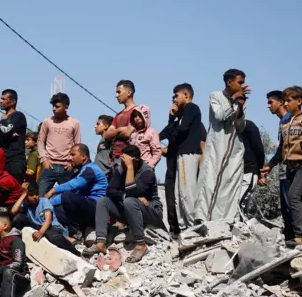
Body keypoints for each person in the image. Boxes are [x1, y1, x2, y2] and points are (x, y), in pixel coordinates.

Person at [261, 86, 302, 249]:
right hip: (289, 167)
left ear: (299, 101)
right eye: (285, 100)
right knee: (290, 201)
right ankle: (293, 237)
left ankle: (301, 237)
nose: (286, 103)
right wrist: (270, 166)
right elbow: (281, 149)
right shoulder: (285, 124)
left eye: (288, 100)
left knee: (293, 196)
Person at [83, 145, 164, 262]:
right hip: (131, 210)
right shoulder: (122, 169)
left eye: (126, 162)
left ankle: (141, 244)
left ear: (134, 161)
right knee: (104, 201)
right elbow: (110, 191)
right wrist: (126, 195)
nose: (122, 165)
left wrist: (130, 168)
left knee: (130, 201)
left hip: (151, 212)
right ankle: (101, 242)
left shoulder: (147, 172)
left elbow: (132, 192)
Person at [195, 69, 249, 222]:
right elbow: (219, 116)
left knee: (230, 184)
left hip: (234, 149)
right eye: (240, 82)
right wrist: (231, 101)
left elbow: (240, 127)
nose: (242, 86)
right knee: (210, 182)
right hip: (216, 147)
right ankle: (203, 219)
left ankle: (226, 220)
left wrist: (240, 107)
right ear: (229, 82)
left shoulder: (241, 100)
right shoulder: (215, 96)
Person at [159, 83, 204, 228]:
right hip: (182, 156)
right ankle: (185, 226)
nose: (174, 99)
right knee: (179, 194)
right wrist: (172, 118)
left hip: (188, 154)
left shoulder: (191, 108)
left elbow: (181, 129)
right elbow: (169, 130)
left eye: (176, 96)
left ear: (186, 95)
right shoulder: (181, 114)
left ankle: (194, 226)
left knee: (187, 192)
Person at [44, 144, 108, 240]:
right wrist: (45, 205)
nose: (70, 158)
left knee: (67, 197)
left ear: (83, 157)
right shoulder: (81, 171)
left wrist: (53, 190)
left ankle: (76, 233)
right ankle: (75, 232)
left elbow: (73, 185)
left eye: (73, 155)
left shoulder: (91, 169)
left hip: (98, 209)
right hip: (87, 206)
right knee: (57, 208)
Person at [11, 183, 79, 255]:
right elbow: (13, 212)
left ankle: (75, 252)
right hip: (36, 226)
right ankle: (14, 241)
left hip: (51, 227)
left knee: (53, 237)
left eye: (36, 194)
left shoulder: (44, 201)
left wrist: (40, 232)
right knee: (18, 218)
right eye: (31, 194)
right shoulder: (25, 204)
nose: (35, 197)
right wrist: (23, 194)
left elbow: (48, 220)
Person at [261, 90, 293, 240]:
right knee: (285, 207)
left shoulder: (291, 120)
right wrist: (271, 165)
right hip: (282, 171)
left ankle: (297, 238)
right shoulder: (282, 122)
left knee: (291, 204)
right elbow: (281, 148)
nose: (268, 106)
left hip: (292, 170)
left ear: (281, 102)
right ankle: (290, 239)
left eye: (270, 102)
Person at [37, 93, 82, 196]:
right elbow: (40, 142)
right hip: (49, 166)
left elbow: (78, 145)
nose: (54, 109)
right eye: (53, 106)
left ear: (66, 107)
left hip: (66, 167)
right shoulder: (47, 122)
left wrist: (72, 164)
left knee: (67, 199)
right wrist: (44, 160)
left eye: (57, 106)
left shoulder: (74, 123)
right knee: (42, 198)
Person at [103, 80, 151, 163]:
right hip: (115, 158)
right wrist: (119, 130)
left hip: (129, 158)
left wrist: (115, 132)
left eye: (119, 92)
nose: (116, 96)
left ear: (129, 92)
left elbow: (128, 134)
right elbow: (106, 135)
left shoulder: (137, 113)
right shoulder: (118, 115)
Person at [0, 89, 28, 183]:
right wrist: (9, 134)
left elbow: (6, 131)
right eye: (1, 98)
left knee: (15, 191)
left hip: (15, 161)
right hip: (2, 161)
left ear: (12, 102)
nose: (0, 101)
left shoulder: (18, 116)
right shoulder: (4, 119)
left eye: (3, 99)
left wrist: (5, 122)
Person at [239, 120, 265, 215]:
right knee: (239, 202)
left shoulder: (249, 126)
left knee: (240, 201)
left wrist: (259, 171)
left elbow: (259, 150)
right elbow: (259, 150)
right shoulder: (228, 128)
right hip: (241, 169)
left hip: (248, 169)